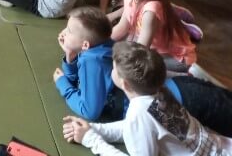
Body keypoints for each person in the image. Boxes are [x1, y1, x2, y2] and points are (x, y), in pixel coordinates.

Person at [55, 7, 232, 137]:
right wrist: (70, 56)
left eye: (69, 31)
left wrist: (63, 85)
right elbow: (82, 82)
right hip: (179, 89)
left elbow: (89, 110)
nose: (63, 33)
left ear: (85, 44)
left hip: (176, 103)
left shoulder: (92, 60)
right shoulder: (99, 46)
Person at [62, 41, 232, 155]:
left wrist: (90, 139)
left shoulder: (139, 112)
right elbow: (133, 127)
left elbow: (137, 123)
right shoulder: (160, 93)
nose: (111, 71)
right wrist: (94, 128)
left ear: (125, 84)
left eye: (113, 69)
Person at [111, 0, 196, 74]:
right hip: (153, 47)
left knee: (133, 70)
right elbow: (122, 27)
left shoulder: (151, 10)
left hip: (176, 59)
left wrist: (119, 59)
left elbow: (141, 50)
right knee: (119, 49)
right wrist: (99, 41)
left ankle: (179, 76)